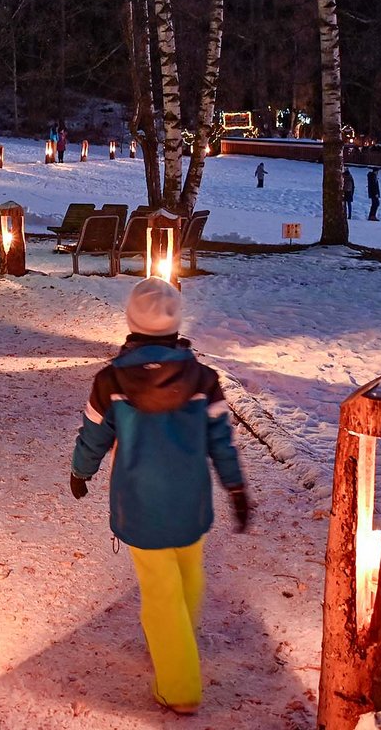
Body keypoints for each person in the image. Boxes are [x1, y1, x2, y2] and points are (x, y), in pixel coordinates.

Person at [70, 278, 249, 717]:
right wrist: (236, 487)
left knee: (161, 593)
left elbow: (94, 435)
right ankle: (176, 649)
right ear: (176, 323)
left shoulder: (110, 381)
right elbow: (221, 441)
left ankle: (179, 687)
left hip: (140, 504)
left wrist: (81, 471)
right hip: (191, 503)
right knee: (188, 578)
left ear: (131, 323)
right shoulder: (203, 380)